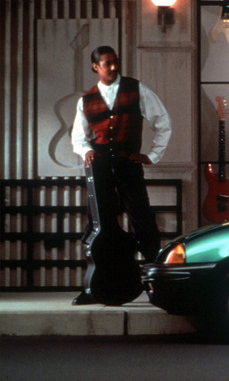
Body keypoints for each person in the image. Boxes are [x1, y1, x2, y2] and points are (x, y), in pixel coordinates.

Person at [71, 45, 172, 305]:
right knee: (98, 223)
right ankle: (97, 286)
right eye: (107, 63)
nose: (113, 67)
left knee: (142, 219)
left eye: (115, 62)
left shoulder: (137, 89)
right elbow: (78, 138)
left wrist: (152, 155)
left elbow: (162, 122)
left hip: (128, 164)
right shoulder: (86, 100)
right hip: (101, 168)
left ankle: (155, 284)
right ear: (95, 66)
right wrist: (87, 151)